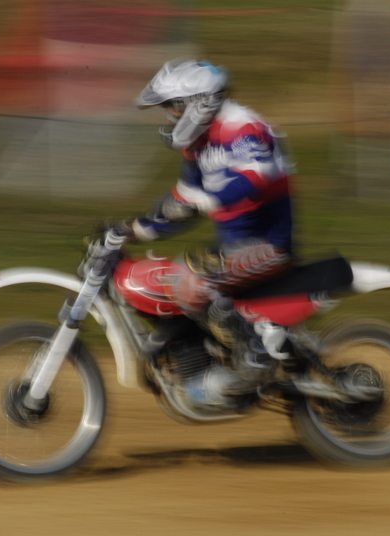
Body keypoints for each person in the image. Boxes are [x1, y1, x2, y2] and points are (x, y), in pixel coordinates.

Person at [125, 59, 297, 393]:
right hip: (233, 251)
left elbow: (255, 176)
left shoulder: (244, 126)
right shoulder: (199, 144)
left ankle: (254, 357)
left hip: (268, 247)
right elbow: (182, 200)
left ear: (199, 103)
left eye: (173, 108)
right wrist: (135, 229)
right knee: (169, 277)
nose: (170, 116)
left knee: (192, 280)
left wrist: (207, 199)